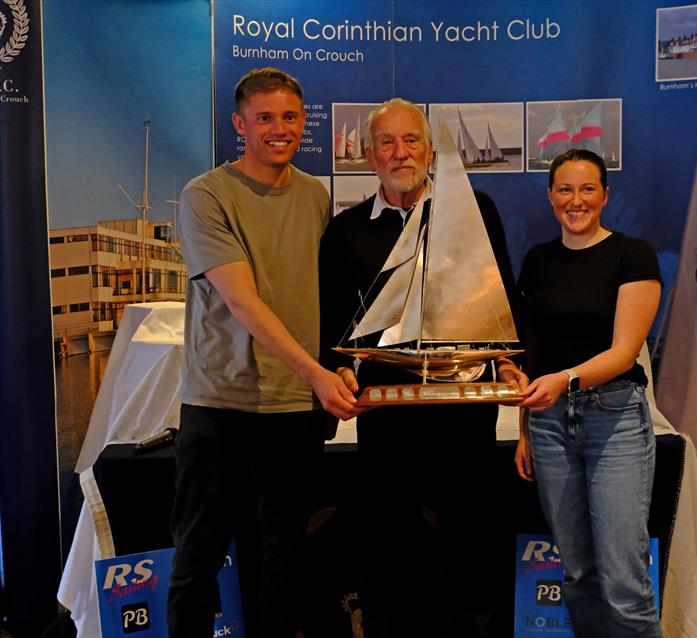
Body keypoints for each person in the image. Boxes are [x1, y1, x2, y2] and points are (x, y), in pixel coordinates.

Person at [319, 98, 525, 638]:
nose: (400, 152)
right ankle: (390, 624)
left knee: (469, 535)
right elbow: (334, 325)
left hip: (464, 412)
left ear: (430, 150)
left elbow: (500, 299)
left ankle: (471, 624)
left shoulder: (474, 210)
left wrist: (504, 362)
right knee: (387, 538)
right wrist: (336, 371)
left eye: (411, 140)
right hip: (387, 415)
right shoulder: (345, 232)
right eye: (386, 143)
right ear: (369, 157)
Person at [168, 67, 361, 638]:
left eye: (290, 117)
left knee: (281, 557)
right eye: (265, 118)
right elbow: (244, 304)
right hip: (220, 404)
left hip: (292, 409)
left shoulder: (315, 196)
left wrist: (338, 365)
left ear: (304, 121)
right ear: (240, 124)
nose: (279, 129)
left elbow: (322, 295)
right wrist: (318, 375)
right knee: (198, 554)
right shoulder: (205, 195)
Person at [514, 148, 663, 637]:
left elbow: (623, 354)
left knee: (625, 582)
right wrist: (525, 431)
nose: (575, 200)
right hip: (549, 424)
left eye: (586, 189)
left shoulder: (633, 255)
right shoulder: (537, 260)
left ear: (605, 195)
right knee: (577, 573)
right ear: (550, 196)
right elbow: (531, 357)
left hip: (615, 420)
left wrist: (564, 380)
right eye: (564, 189)